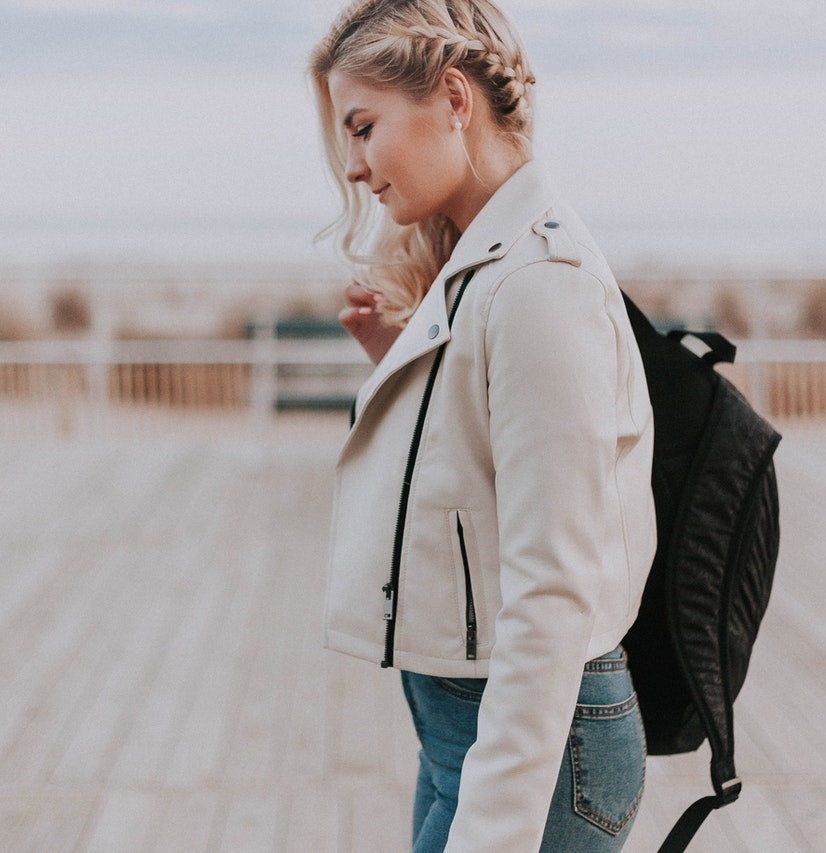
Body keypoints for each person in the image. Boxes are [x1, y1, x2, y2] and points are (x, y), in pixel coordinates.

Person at [310, 1, 657, 850]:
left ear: (454, 100)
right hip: (469, 733)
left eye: (363, 127)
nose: (355, 166)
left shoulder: (539, 283)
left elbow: (551, 586)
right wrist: (400, 355)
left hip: (533, 749)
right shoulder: (484, 263)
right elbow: (478, 468)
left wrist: (493, 828)